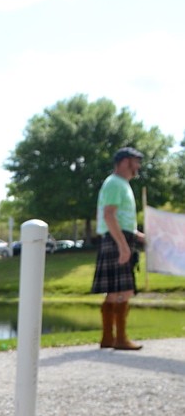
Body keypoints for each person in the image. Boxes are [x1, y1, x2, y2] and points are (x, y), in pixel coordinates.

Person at [91, 146, 145, 351]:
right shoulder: (115, 183)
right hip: (116, 240)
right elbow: (109, 215)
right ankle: (119, 339)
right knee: (124, 290)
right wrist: (123, 245)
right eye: (135, 161)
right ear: (124, 162)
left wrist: (139, 236)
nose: (137, 166)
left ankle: (108, 338)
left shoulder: (121, 184)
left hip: (119, 237)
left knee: (114, 292)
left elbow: (121, 219)